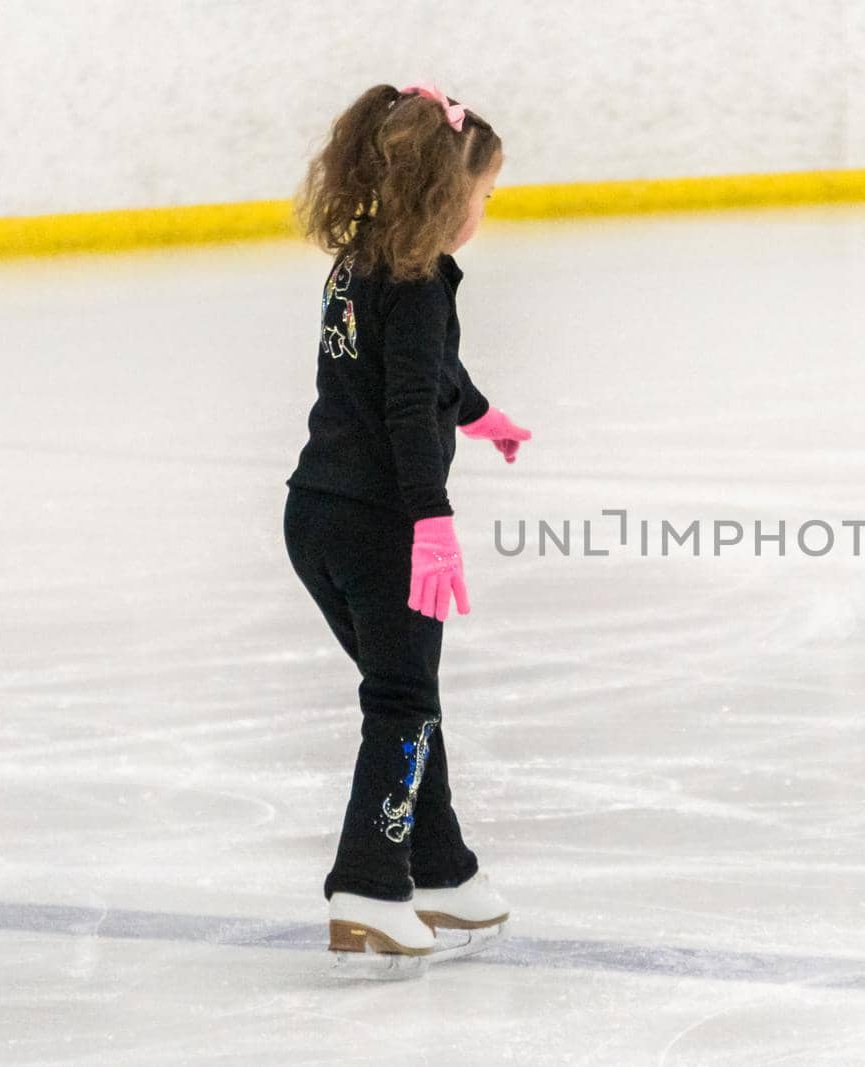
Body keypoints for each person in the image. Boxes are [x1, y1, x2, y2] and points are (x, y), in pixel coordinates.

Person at [282, 81, 531, 977]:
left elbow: (427, 374)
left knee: (407, 687)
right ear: (445, 195)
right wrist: (432, 521)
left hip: (314, 513)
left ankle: (443, 867)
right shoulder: (421, 285)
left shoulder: (358, 264)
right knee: (400, 701)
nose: (485, 212)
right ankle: (369, 884)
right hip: (381, 522)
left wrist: (483, 415)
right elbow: (399, 403)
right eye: (483, 196)